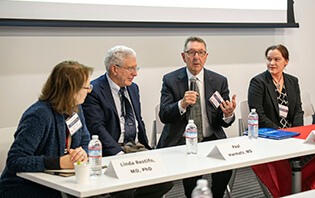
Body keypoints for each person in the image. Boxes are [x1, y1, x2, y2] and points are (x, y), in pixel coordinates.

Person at [82, 45, 173, 198]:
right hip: (113, 150)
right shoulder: (95, 91)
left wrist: (148, 148)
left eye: (136, 68)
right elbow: (96, 128)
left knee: (165, 181)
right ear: (114, 69)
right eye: (130, 69)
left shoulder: (133, 88)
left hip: (136, 147)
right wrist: (119, 154)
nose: (135, 73)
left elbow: (138, 120)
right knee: (125, 190)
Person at [157, 36, 236, 198]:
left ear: (206, 56)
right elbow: (164, 114)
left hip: (210, 137)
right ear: (183, 56)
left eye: (200, 53)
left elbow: (223, 120)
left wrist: (228, 115)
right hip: (181, 139)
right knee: (191, 175)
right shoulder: (171, 80)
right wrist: (182, 104)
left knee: (226, 167)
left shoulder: (219, 81)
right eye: (191, 52)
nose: (196, 57)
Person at [0, 61, 93, 197]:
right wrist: (59, 162)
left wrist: (82, 153)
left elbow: (85, 140)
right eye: (87, 87)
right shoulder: (39, 115)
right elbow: (15, 160)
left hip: (62, 183)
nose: (89, 91)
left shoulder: (76, 109)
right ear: (71, 90)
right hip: (24, 188)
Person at [248, 44, 304, 129]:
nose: (272, 63)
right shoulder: (258, 82)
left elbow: (298, 111)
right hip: (270, 132)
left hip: (291, 132)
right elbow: (258, 115)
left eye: (276, 59)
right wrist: (281, 131)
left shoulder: (293, 81)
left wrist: (297, 130)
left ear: (286, 61)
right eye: (269, 59)